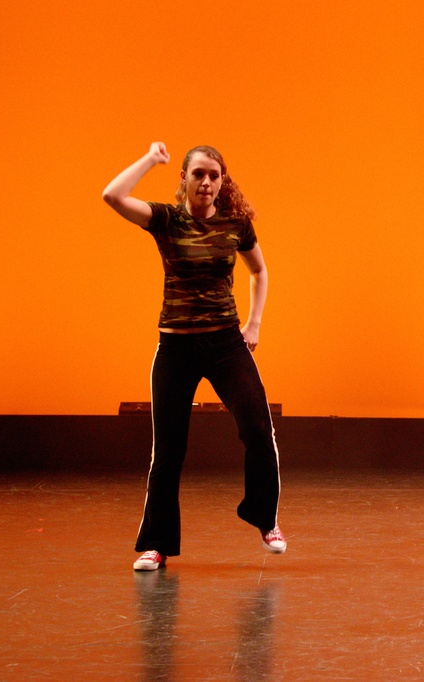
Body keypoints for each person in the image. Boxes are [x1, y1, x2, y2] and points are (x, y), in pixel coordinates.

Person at [102, 142, 286, 571]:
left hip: (225, 345)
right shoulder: (166, 219)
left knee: (259, 430)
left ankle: (265, 519)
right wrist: (151, 158)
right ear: (184, 178)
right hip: (176, 347)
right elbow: (112, 195)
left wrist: (254, 324)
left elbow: (259, 270)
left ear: (222, 182)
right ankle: (157, 545)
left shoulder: (236, 224)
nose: (206, 182)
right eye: (198, 174)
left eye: (214, 175)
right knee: (168, 451)